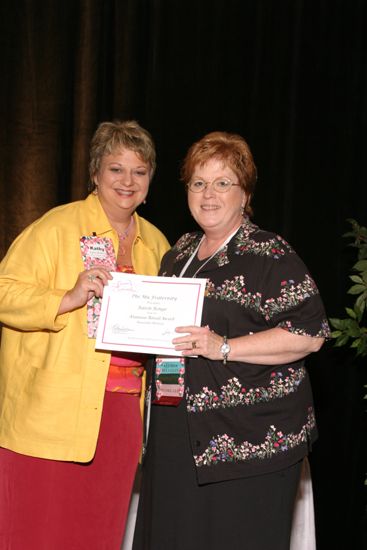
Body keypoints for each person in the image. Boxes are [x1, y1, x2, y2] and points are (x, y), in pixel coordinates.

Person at [132, 131, 330, 550]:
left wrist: (223, 347)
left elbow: (309, 335)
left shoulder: (270, 254)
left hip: (249, 443)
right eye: (198, 183)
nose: (209, 194)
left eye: (223, 183)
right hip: (178, 432)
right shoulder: (179, 253)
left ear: (245, 194)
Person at [0, 120, 170, 549]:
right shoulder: (56, 227)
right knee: (37, 535)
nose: (127, 181)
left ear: (150, 182)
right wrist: (67, 296)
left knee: (98, 535)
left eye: (139, 171)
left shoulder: (159, 245)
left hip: (121, 416)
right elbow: (4, 292)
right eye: (116, 169)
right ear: (95, 173)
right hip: (51, 414)